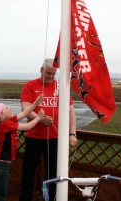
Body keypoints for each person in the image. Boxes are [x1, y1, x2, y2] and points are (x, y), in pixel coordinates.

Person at [19, 58, 77, 201]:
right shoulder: (30, 85)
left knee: (52, 174)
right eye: (48, 73)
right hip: (34, 136)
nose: (51, 77)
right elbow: (25, 108)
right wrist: (40, 119)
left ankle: (50, 199)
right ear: (41, 70)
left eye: (53, 74)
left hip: (55, 138)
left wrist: (72, 133)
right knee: (28, 172)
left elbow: (71, 111)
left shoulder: (60, 87)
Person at [0, 94, 45, 201]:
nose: (9, 108)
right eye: (6, 108)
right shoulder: (5, 125)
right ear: (1, 116)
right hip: (1, 166)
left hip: (2, 165)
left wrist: (36, 102)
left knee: (1, 193)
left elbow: (24, 113)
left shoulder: (8, 122)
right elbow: (27, 126)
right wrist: (38, 117)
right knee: (1, 194)